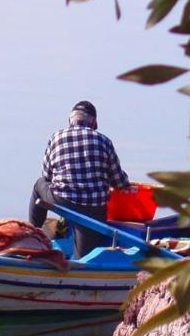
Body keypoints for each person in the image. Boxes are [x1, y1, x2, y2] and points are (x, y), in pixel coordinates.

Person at [29, 100, 131, 258]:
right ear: (94, 123)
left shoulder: (56, 137)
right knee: (82, 258)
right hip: (92, 209)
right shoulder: (104, 141)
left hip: (61, 201)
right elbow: (118, 182)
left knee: (39, 185)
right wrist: (128, 186)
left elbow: (47, 176)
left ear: (70, 120)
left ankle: (32, 236)